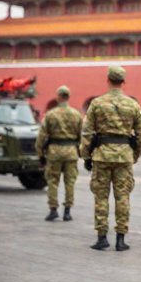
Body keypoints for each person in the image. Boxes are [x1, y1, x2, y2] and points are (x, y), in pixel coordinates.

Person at [81, 66, 141, 251]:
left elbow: (87, 132)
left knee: (101, 197)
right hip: (124, 156)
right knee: (123, 197)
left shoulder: (97, 103)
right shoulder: (132, 104)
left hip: (101, 155)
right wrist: (135, 153)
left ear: (108, 80)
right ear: (123, 82)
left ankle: (102, 238)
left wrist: (86, 155)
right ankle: (120, 239)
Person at [35, 85, 83, 222]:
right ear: (68, 96)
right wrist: (80, 152)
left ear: (58, 96)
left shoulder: (51, 114)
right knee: (70, 182)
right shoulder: (76, 114)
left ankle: (53, 210)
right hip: (71, 152)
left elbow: (41, 136)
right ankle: (67, 212)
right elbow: (82, 135)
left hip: (54, 151)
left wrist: (40, 154)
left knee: (52, 181)